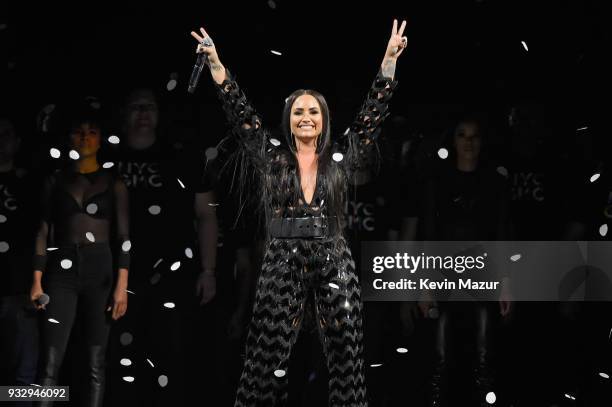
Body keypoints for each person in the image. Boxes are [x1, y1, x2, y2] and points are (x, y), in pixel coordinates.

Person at [190, 18, 407, 406]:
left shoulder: (339, 158)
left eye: (313, 111)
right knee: (264, 359)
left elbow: (370, 119)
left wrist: (388, 62)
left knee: (346, 354)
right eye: (297, 111)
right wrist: (217, 67)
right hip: (281, 258)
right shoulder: (273, 158)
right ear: (288, 120)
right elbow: (242, 119)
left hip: (332, 256)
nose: (306, 116)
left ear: (323, 119)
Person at [30, 105, 129, 407]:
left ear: (100, 139)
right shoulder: (55, 181)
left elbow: (124, 237)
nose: (85, 138)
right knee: (49, 360)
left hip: (100, 269)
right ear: (69, 138)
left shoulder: (114, 183)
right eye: (79, 132)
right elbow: (43, 232)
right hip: (60, 271)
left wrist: (122, 285)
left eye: (92, 133)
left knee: (95, 363)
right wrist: (36, 280)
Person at [419, 114, 512, 406]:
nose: (469, 142)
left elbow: (501, 234)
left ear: (482, 141)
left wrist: (506, 282)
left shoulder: (494, 184)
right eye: (463, 135)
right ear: (454, 140)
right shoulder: (439, 181)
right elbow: (430, 235)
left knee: (484, 354)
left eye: (474, 136)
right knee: (441, 353)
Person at [0, 118, 39, 406]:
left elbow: (41, 232)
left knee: (24, 376)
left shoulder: (29, 184)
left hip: (18, 288)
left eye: (8, 134)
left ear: (17, 142)